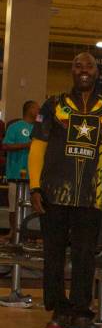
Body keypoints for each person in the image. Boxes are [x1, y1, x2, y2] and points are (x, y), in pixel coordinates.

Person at [28, 52, 102, 328]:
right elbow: (38, 148)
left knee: (85, 257)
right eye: (77, 64)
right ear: (71, 71)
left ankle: (81, 313)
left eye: (88, 65)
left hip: (92, 197)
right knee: (53, 255)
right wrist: (34, 187)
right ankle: (59, 310)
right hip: (53, 195)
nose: (83, 69)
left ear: (96, 71)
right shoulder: (53, 106)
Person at [1, 100, 39, 242]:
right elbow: (5, 146)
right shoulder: (15, 127)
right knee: (14, 206)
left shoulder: (39, 128)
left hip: (34, 174)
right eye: (37, 108)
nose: (39, 111)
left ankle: (30, 233)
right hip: (16, 172)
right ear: (29, 110)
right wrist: (26, 145)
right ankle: (13, 232)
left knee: (32, 206)